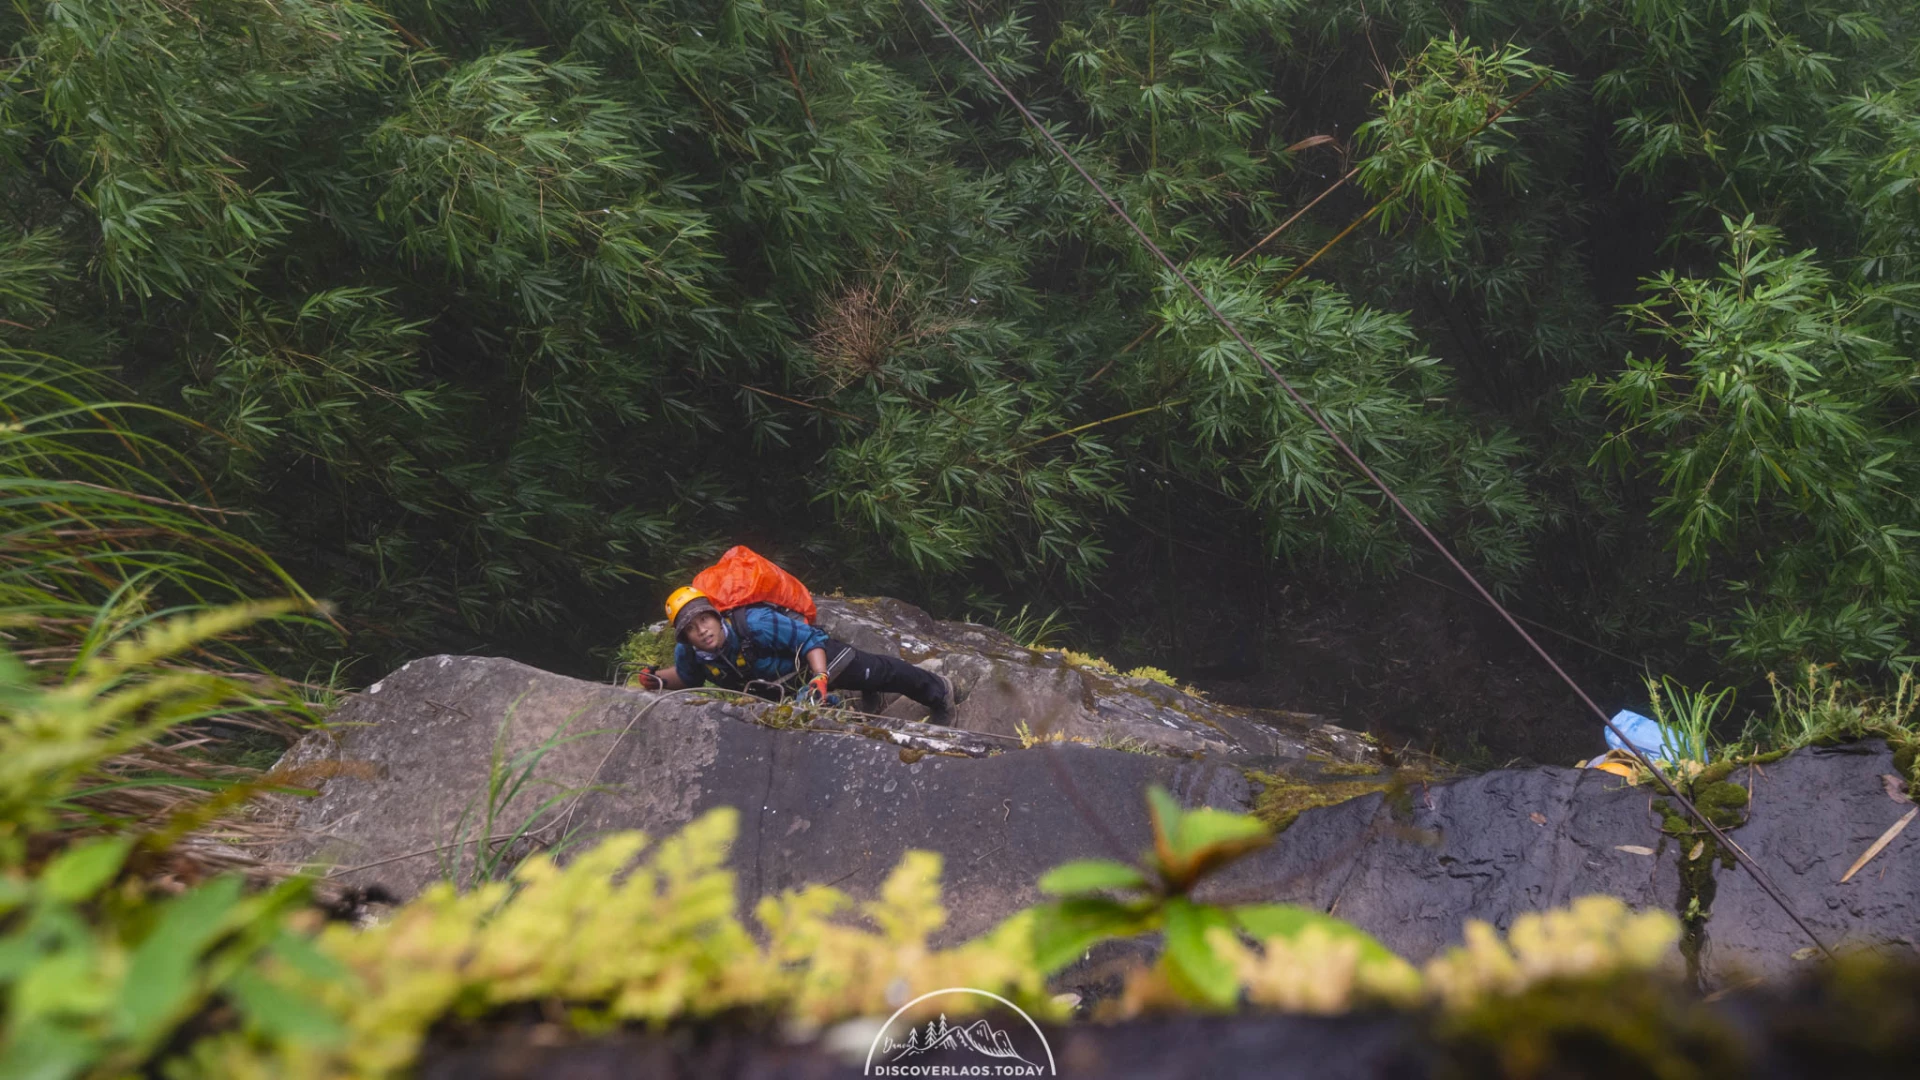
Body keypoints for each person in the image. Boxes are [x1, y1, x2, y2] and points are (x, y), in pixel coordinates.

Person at [634, 588, 957, 724]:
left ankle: (938, 689)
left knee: (877, 672)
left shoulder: (755, 624)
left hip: (812, 662)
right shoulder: (691, 653)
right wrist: (656, 679)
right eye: (691, 628)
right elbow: (687, 676)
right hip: (783, 692)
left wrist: (820, 677)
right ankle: (863, 698)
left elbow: (811, 640)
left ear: (716, 616)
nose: (702, 630)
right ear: (685, 635)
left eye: (704, 619)